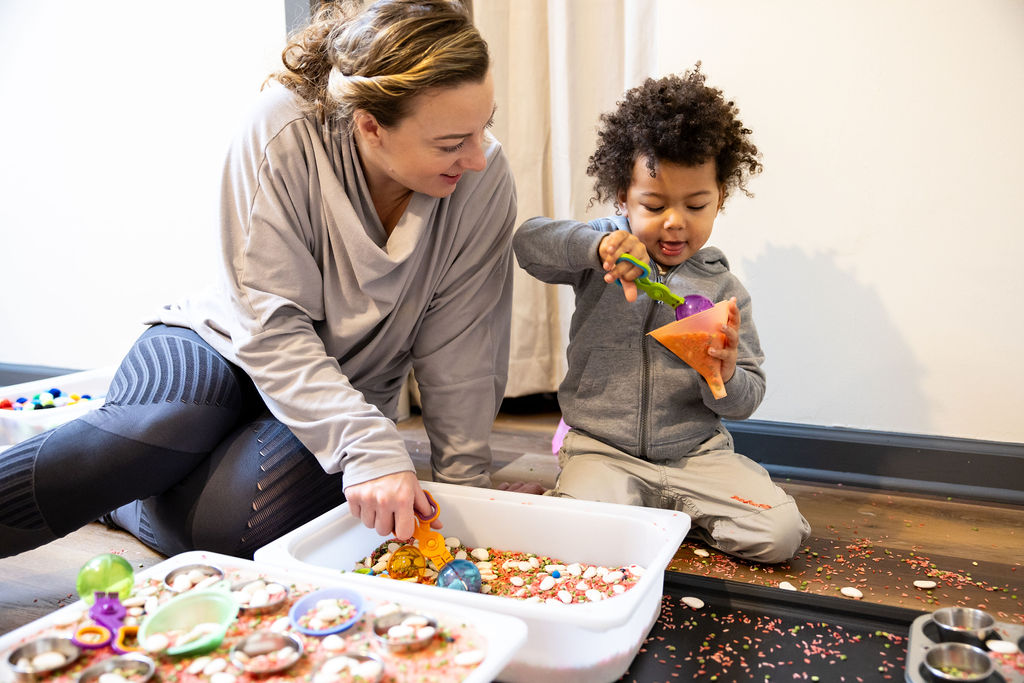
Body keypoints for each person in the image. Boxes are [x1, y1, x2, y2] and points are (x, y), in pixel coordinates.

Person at [0, 0, 519, 559]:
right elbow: (267, 323)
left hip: (338, 390)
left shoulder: (481, 183)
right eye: (450, 143)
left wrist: (469, 493)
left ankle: (119, 495)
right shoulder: (281, 127)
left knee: (236, 526)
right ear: (371, 126)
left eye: (482, 128)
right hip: (225, 343)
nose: (477, 158)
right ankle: (122, 467)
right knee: (157, 426)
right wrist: (366, 446)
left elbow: (463, 348)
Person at [512, 66, 810, 563]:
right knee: (580, 544)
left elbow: (744, 400)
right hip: (602, 449)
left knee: (779, 537)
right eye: (653, 204)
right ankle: (627, 508)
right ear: (621, 199)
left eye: (697, 204)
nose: (675, 222)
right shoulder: (605, 255)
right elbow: (529, 243)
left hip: (696, 454)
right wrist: (598, 245)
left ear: (720, 200)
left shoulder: (723, 290)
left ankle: (657, 513)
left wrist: (724, 373)